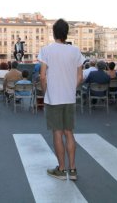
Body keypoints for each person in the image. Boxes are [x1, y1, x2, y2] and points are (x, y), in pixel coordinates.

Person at [38, 18, 84, 181]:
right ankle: (72, 170)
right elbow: (80, 77)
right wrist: (71, 89)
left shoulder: (46, 50)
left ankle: (61, 169)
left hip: (53, 98)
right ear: (67, 33)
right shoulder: (75, 51)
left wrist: (45, 93)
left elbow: (42, 76)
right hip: (69, 97)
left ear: (53, 33)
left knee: (57, 133)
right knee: (69, 133)